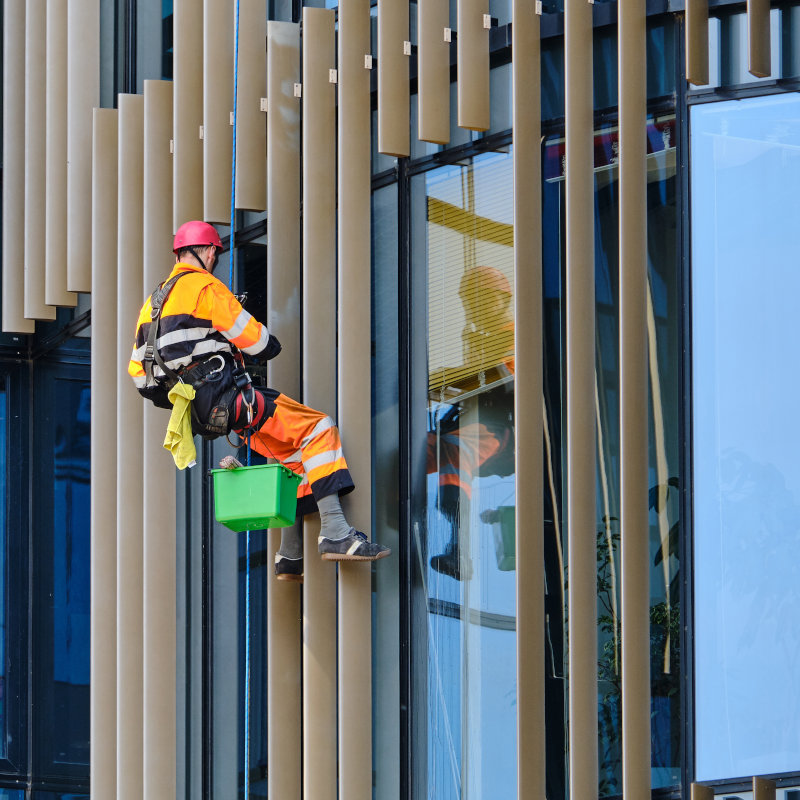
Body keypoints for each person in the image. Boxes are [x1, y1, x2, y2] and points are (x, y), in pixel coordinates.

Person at [128, 220, 390, 581]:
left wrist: (191, 385)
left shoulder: (152, 305)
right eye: (214, 254)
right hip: (231, 399)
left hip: (199, 413)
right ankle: (336, 533)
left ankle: (290, 556)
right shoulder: (206, 286)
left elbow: (141, 379)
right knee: (318, 428)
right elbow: (262, 344)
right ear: (208, 252)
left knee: (292, 455)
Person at [427, 265, 515, 580]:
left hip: (500, 429)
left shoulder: (513, 335)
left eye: (480, 301)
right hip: (470, 422)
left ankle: (459, 548)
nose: (472, 309)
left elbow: (510, 383)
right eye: (469, 302)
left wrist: (453, 381)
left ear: (501, 301)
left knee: (452, 448)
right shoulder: (478, 338)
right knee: (415, 448)